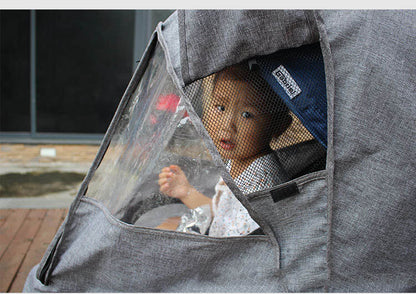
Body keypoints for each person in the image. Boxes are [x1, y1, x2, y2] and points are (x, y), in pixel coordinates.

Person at [157, 62, 292, 237]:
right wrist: (186, 191)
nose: (227, 126)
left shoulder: (262, 187)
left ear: (279, 126)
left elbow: (236, 245)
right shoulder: (240, 163)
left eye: (247, 115)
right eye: (220, 108)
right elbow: (222, 215)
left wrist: (186, 233)